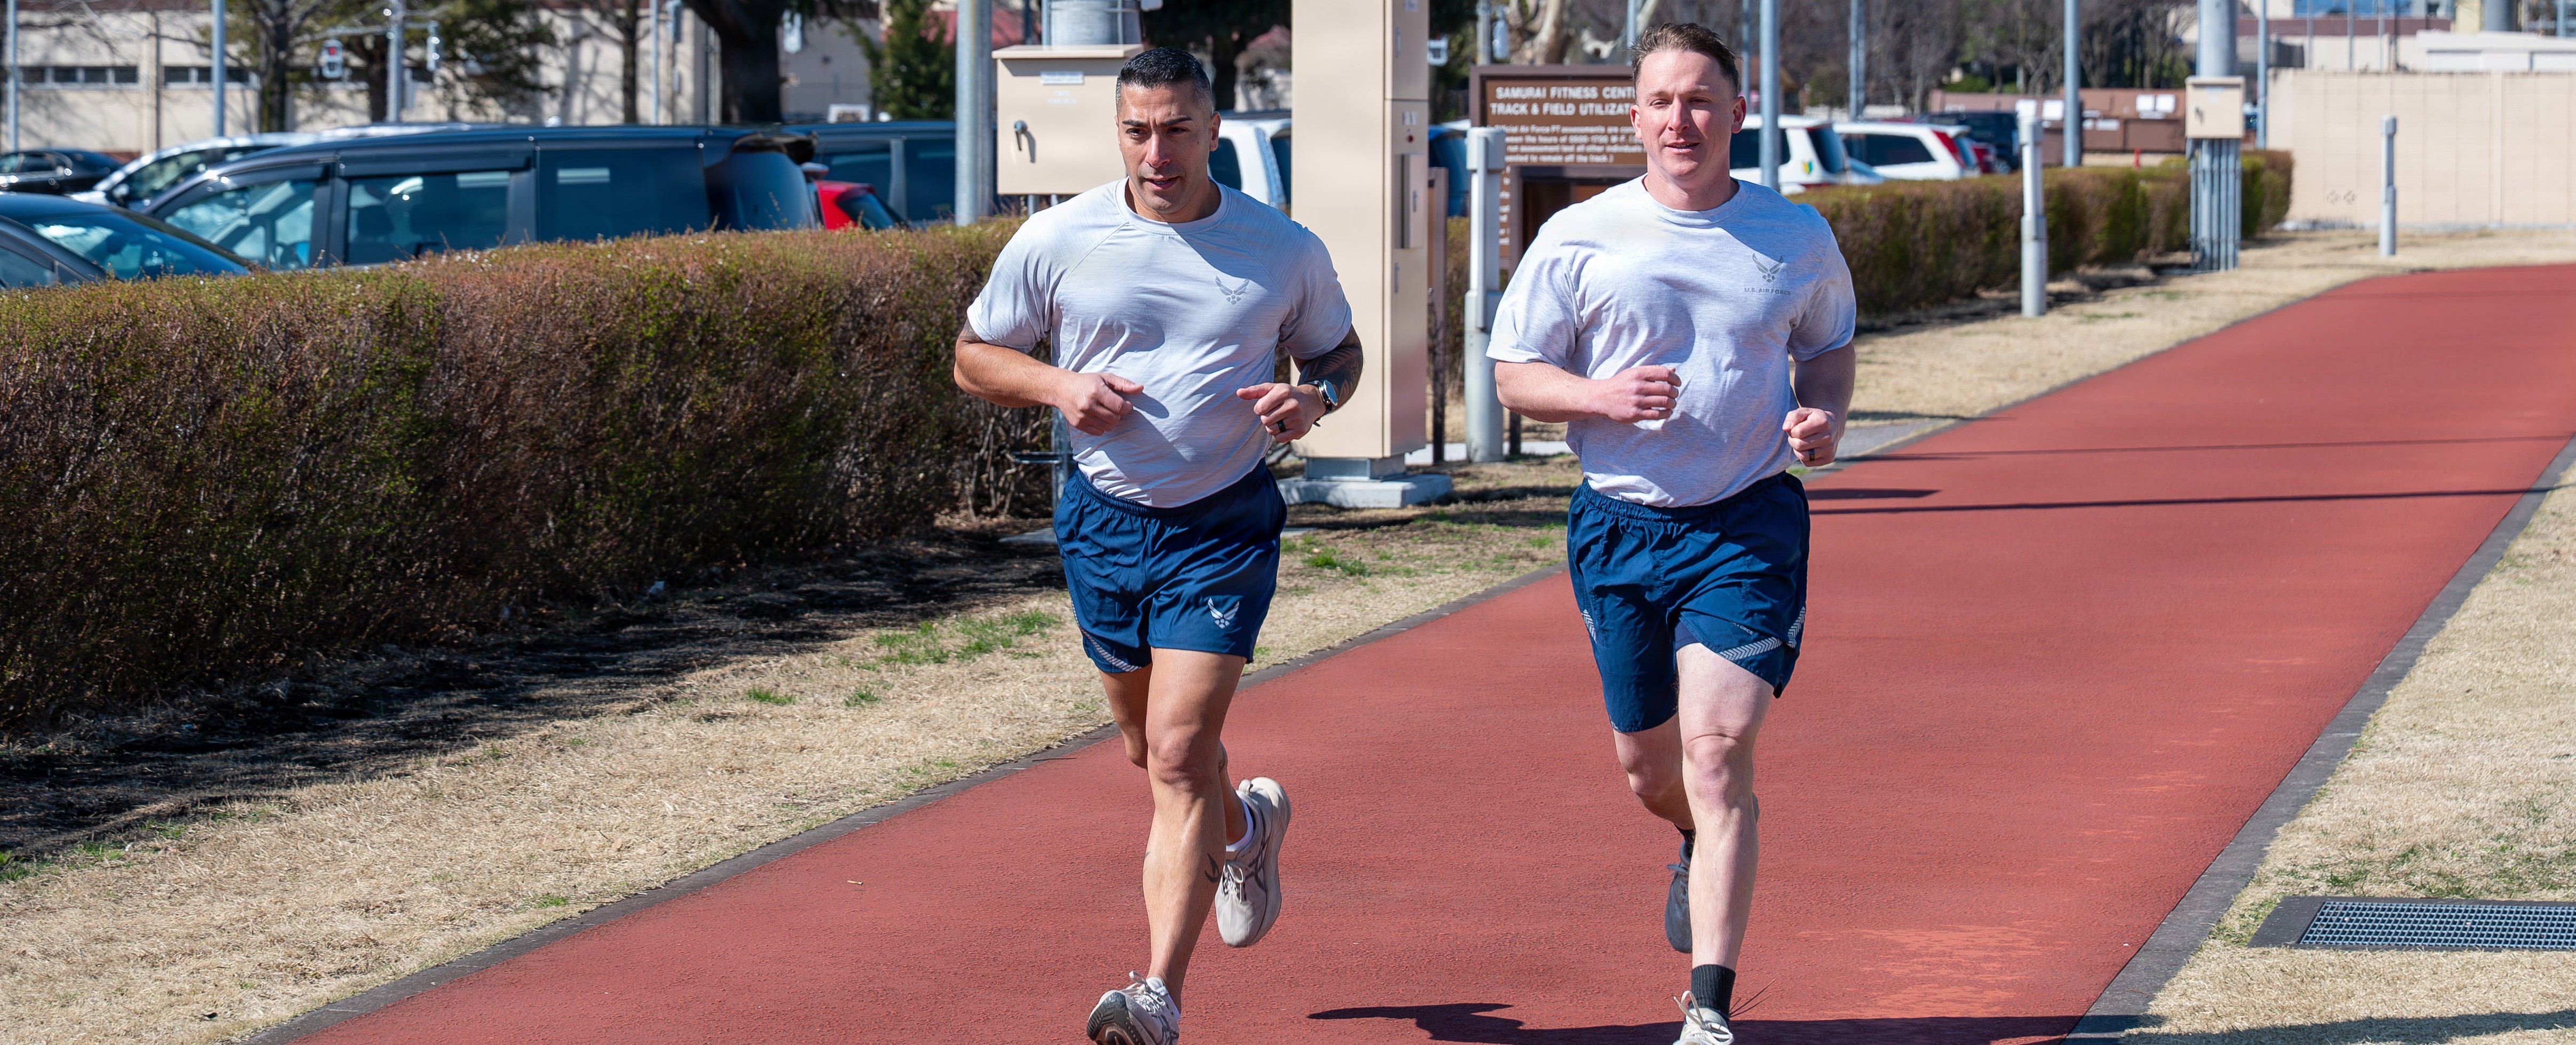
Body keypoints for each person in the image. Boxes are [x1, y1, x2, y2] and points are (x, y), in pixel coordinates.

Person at [951, 46, 1364, 1045]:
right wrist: (1058, 387)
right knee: (1146, 749)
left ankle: (1156, 995)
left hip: (1220, 521)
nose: (1157, 151)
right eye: (1138, 130)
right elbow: (972, 356)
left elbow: (1340, 354)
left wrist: (1314, 396)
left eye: (1177, 128)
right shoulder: (1060, 237)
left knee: (1179, 751)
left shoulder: (1281, 246)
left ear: (1214, 130)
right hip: (1102, 519)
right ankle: (1248, 829)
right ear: (1119, 134)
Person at [1488, 22, 1856, 1045]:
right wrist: (1599, 396)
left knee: (1717, 747)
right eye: (1659, 101)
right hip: (1618, 528)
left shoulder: (1792, 236)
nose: (1678, 120)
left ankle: (1707, 1007)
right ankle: (1691, 838)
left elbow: (1826, 348)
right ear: (1636, 115)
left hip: (1746, 520)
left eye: (1699, 100)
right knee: (1650, 770)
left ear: (1737, 114)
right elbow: (1515, 371)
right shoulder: (1582, 234)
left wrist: (1822, 418)